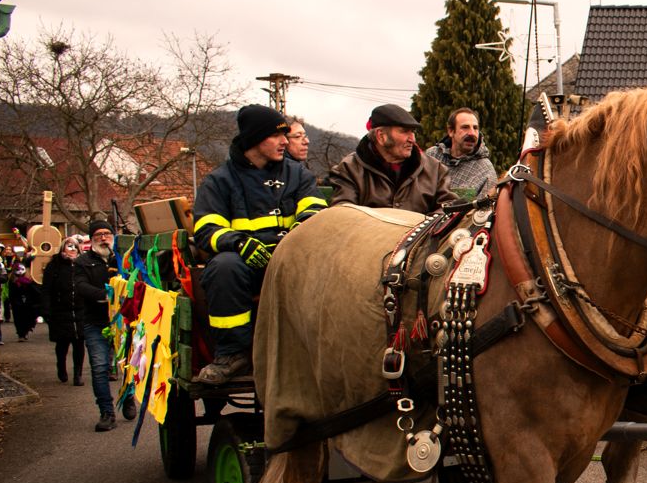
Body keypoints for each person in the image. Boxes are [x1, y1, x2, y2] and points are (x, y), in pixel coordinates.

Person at [191, 104, 327, 386]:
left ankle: (320, 348)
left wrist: (296, 238)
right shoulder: (219, 181)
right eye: (276, 135)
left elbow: (315, 212)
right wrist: (239, 243)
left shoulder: (298, 174)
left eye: (285, 135)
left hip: (293, 260)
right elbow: (206, 229)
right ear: (254, 139)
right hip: (246, 267)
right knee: (223, 267)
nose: (284, 141)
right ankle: (232, 354)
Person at [326, 103, 458, 212]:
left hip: (423, 236)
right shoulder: (350, 169)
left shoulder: (435, 169)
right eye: (404, 131)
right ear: (381, 136)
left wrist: (422, 230)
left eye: (412, 132)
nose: (412, 139)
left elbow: (448, 209)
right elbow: (344, 214)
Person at [74, 217, 133, 431]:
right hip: (96, 321)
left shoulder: (122, 259)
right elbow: (80, 286)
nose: (103, 238)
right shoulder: (82, 262)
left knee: (128, 364)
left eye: (106, 234)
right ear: (92, 239)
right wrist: (107, 296)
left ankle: (128, 396)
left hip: (123, 322)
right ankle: (107, 412)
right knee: (99, 368)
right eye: (98, 235)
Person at [425, 107, 498, 201]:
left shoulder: (485, 170)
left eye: (475, 128)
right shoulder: (432, 156)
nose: (472, 133)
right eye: (465, 127)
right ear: (451, 131)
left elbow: (485, 208)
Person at [42, 237, 85, 385]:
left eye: (75, 247)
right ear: (63, 248)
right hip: (60, 311)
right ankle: (61, 367)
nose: (72, 249)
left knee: (79, 343)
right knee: (62, 344)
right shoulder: (54, 265)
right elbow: (46, 289)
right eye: (69, 246)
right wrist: (46, 309)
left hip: (79, 310)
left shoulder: (82, 265)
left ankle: (78, 374)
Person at [8, 259, 42, 341]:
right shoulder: (12, 281)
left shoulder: (28, 281)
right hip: (17, 303)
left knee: (28, 317)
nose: (20, 272)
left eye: (21, 269)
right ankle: (21, 334)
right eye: (18, 270)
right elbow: (11, 293)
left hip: (28, 302)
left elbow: (35, 291)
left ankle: (26, 331)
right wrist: (13, 302)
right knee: (18, 319)